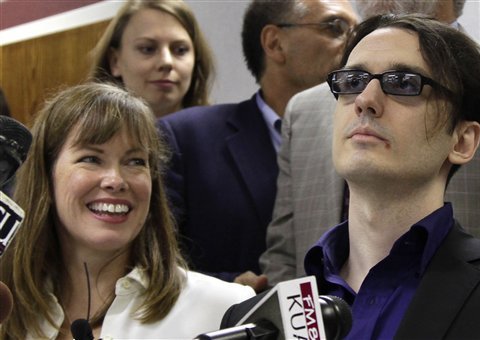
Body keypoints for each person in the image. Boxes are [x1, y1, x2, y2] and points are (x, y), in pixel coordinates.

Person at [221, 14, 480, 339]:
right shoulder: (253, 322)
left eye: (403, 82)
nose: (365, 100)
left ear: (461, 141)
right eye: (353, 81)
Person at [0, 83, 255, 339]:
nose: (116, 180)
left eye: (135, 162)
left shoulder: (227, 308)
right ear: (46, 175)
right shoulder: (7, 310)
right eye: (91, 159)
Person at [157, 0, 357, 286]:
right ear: (275, 43)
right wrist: (230, 288)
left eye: (358, 30)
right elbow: (151, 259)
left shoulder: (363, 137)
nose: (355, 43)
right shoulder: (187, 137)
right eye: (336, 27)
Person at [89, 0, 214, 117]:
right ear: (115, 61)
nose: (166, 61)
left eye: (180, 50)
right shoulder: (82, 137)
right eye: (148, 49)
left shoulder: (218, 133)